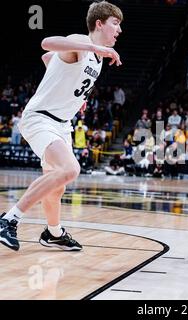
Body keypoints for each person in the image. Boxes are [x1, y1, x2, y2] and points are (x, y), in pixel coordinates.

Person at [0, 1, 123, 251]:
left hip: (62, 124)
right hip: (40, 118)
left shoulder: (97, 60)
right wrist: (90, 45)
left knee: (57, 185)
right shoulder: (82, 42)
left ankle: (54, 233)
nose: (119, 30)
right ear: (99, 24)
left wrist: (75, 96)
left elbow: (49, 58)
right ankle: (8, 220)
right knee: (70, 169)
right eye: (115, 23)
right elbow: (47, 44)